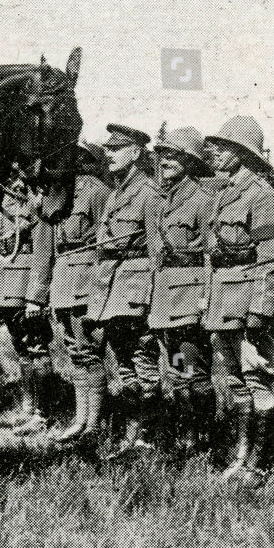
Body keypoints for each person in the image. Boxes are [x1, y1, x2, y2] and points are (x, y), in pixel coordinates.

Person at [203, 116, 274, 483]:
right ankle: (240, 456)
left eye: (224, 147)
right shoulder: (224, 193)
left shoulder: (263, 196)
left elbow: (272, 260)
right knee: (234, 381)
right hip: (223, 296)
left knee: (257, 380)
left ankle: (258, 464)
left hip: (249, 298)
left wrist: (260, 311)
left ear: (242, 153)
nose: (215, 153)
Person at [90, 124, 164, 455]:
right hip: (111, 289)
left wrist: (152, 297)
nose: (109, 153)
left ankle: (148, 437)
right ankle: (132, 433)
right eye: (107, 148)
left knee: (144, 361)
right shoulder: (117, 192)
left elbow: (157, 251)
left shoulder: (147, 193)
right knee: (123, 364)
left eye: (116, 148)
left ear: (134, 153)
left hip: (135, 289)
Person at [147, 127, 215, 450]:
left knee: (194, 372)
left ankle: (203, 440)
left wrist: (205, 298)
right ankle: (186, 435)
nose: (166, 161)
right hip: (165, 297)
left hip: (190, 296)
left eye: (173, 155)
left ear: (189, 160)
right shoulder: (164, 200)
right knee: (176, 371)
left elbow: (209, 255)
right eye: (162, 156)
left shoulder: (201, 200)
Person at [0, 175, 56, 434]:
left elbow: (43, 247)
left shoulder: (37, 198)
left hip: (23, 278)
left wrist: (37, 294)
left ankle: (38, 413)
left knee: (31, 345)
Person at [50, 143, 112, 443]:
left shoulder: (97, 191)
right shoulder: (60, 191)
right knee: (73, 353)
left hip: (86, 278)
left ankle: (94, 423)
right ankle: (80, 418)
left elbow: (105, 241)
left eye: (73, 157)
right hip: (63, 277)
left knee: (89, 350)